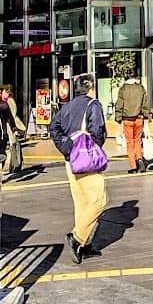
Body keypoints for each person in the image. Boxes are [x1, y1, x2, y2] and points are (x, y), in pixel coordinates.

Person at [48, 75, 108, 263]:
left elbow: (53, 127)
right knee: (98, 200)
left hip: (71, 160)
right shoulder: (93, 105)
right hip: (86, 160)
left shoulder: (68, 106)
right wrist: (93, 148)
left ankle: (85, 246)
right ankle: (77, 238)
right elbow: (97, 130)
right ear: (91, 87)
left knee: (81, 203)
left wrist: (66, 147)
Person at [113, 74, 153, 173]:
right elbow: (145, 106)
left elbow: (119, 106)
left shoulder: (123, 90)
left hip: (127, 120)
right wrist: (146, 121)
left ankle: (133, 166)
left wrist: (119, 121)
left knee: (129, 143)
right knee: (137, 141)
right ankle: (140, 159)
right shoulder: (141, 88)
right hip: (139, 118)